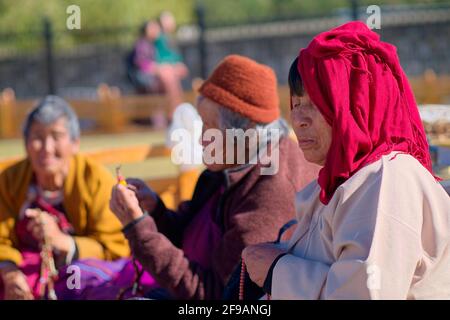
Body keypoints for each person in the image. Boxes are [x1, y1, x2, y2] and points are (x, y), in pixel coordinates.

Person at [243, 22, 450, 299]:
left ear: (357, 104)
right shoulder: (343, 179)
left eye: (316, 103)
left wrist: (276, 269)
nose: (299, 120)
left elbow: (365, 294)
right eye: (296, 104)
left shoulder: (387, 180)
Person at [109, 54, 321, 299]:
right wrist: (153, 209)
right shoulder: (232, 166)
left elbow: (211, 295)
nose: (201, 139)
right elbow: (187, 233)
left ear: (245, 133)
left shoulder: (272, 192)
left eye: (209, 126)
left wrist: (138, 229)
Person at [0, 96, 132, 300]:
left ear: (75, 143)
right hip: (21, 275)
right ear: (26, 144)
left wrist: (62, 241)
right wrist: (9, 273)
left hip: (78, 273)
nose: (47, 147)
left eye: (56, 136)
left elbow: (114, 247)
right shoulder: (9, 181)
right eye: (37, 137)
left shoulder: (95, 180)